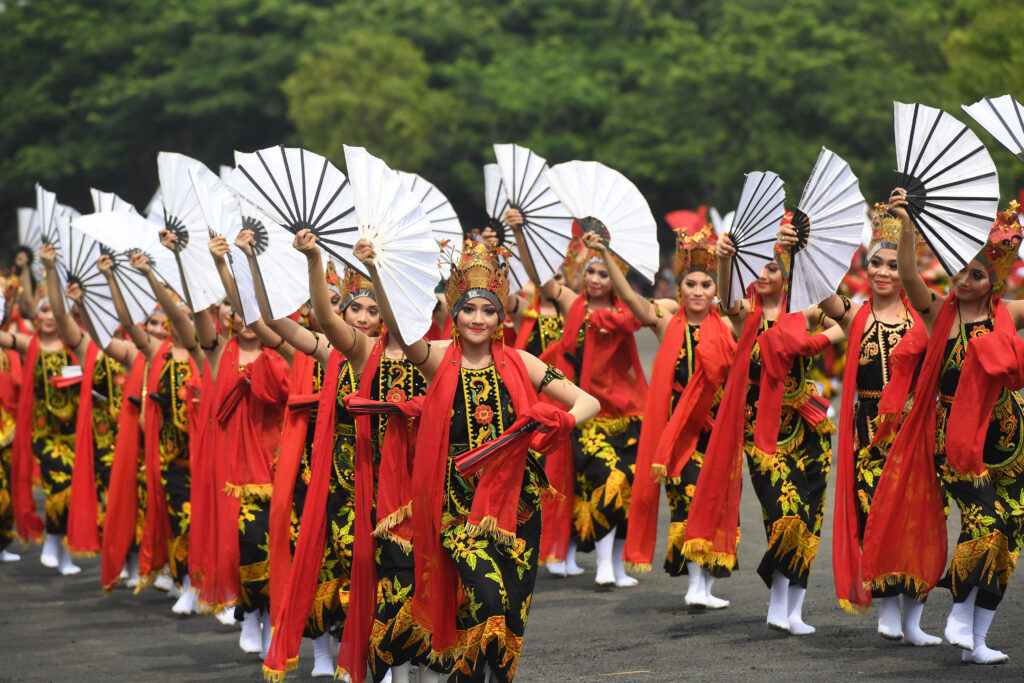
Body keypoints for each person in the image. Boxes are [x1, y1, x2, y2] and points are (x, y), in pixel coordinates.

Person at [357, 237, 599, 681]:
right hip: (457, 508)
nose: (478, 319)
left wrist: (560, 423)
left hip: (517, 504)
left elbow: (588, 402)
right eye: (469, 309)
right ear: (455, 313)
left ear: (501, 316)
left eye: (488, 310)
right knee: (486, 598)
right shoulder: (434, 359)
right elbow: (400, 326)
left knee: (510, 610)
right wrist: (376, 272)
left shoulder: (521, 362)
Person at [862, 194, 1024, 664]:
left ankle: (978, 640)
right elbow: (910, 276)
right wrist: (907, 225)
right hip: (956, 443)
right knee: (985, 524)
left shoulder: (1007, 313)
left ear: (993, 278)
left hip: (1010, 442)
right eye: (961, 270)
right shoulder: (941, 315)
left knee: (1010, 534)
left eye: (977, 273)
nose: (965, 280)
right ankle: (957, 610)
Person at [683, 216, 845, 634]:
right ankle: (777, 605)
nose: (763, 272)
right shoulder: (744, 317)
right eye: (757, 265)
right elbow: (726, 295)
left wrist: (816, 340)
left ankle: (795, 610)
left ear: (786, 271)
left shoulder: (807, 312)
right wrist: (724, 261)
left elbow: (848, 321)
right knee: (783, 516)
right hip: (763, 436)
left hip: (809, 427)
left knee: (809, 518)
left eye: (772, 266)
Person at [808, 205, 938, 644]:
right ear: (866, 268)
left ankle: (914, 621)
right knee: (876, 522)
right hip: (868, 438)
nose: (884, 272)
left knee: (917, 522)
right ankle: (887, 608)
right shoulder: (853, 314)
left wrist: (906, 231)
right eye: (876, 264)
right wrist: (802, 250)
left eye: (892, 265)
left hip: (915, 435)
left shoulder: (923, 319)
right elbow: (821, 292)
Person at [506, 209, 647, 587]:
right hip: (587, 414)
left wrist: (608, 256)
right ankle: (603, 566)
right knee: (607, 479)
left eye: (604, 273)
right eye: (592, 272)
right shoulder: (575, 305)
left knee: (626, 490)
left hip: (628, 414)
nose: (596, 279)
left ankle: (615, 567)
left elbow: (642, 311)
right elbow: (539, 279)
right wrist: (520, 234)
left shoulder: (627, 310)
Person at [619, 222, 736, 608]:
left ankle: (705, 586)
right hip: (678, 432)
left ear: (716, 289)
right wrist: (607, 255)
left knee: (714, 502)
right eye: (691, 285)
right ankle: (695, 587)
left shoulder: (729, 327)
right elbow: (636, 304)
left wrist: (725, 263)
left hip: (716, 430)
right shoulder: (670, 325)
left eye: (706, 285)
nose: (699, 291)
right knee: (687, 500)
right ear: (678, 288)